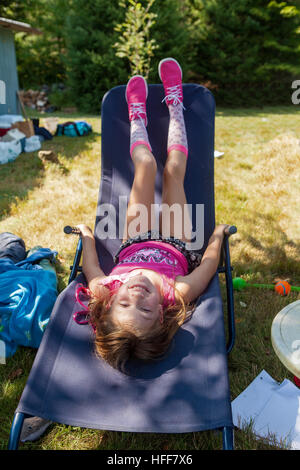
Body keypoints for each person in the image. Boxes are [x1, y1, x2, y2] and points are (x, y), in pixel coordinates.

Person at [76, 58, 230, 372]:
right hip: (176, 241)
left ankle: (137, 115)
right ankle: (175, 104)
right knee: (173, 170)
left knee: (145, 166)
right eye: (144, 311)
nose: (136, 296)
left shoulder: (104, 290)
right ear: (160, 314)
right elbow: (209, 266)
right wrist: (217, 235)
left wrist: (89, 237)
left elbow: (91, 266)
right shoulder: (178, 294)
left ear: (108, 307)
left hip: (134, 240)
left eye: (125, 304)